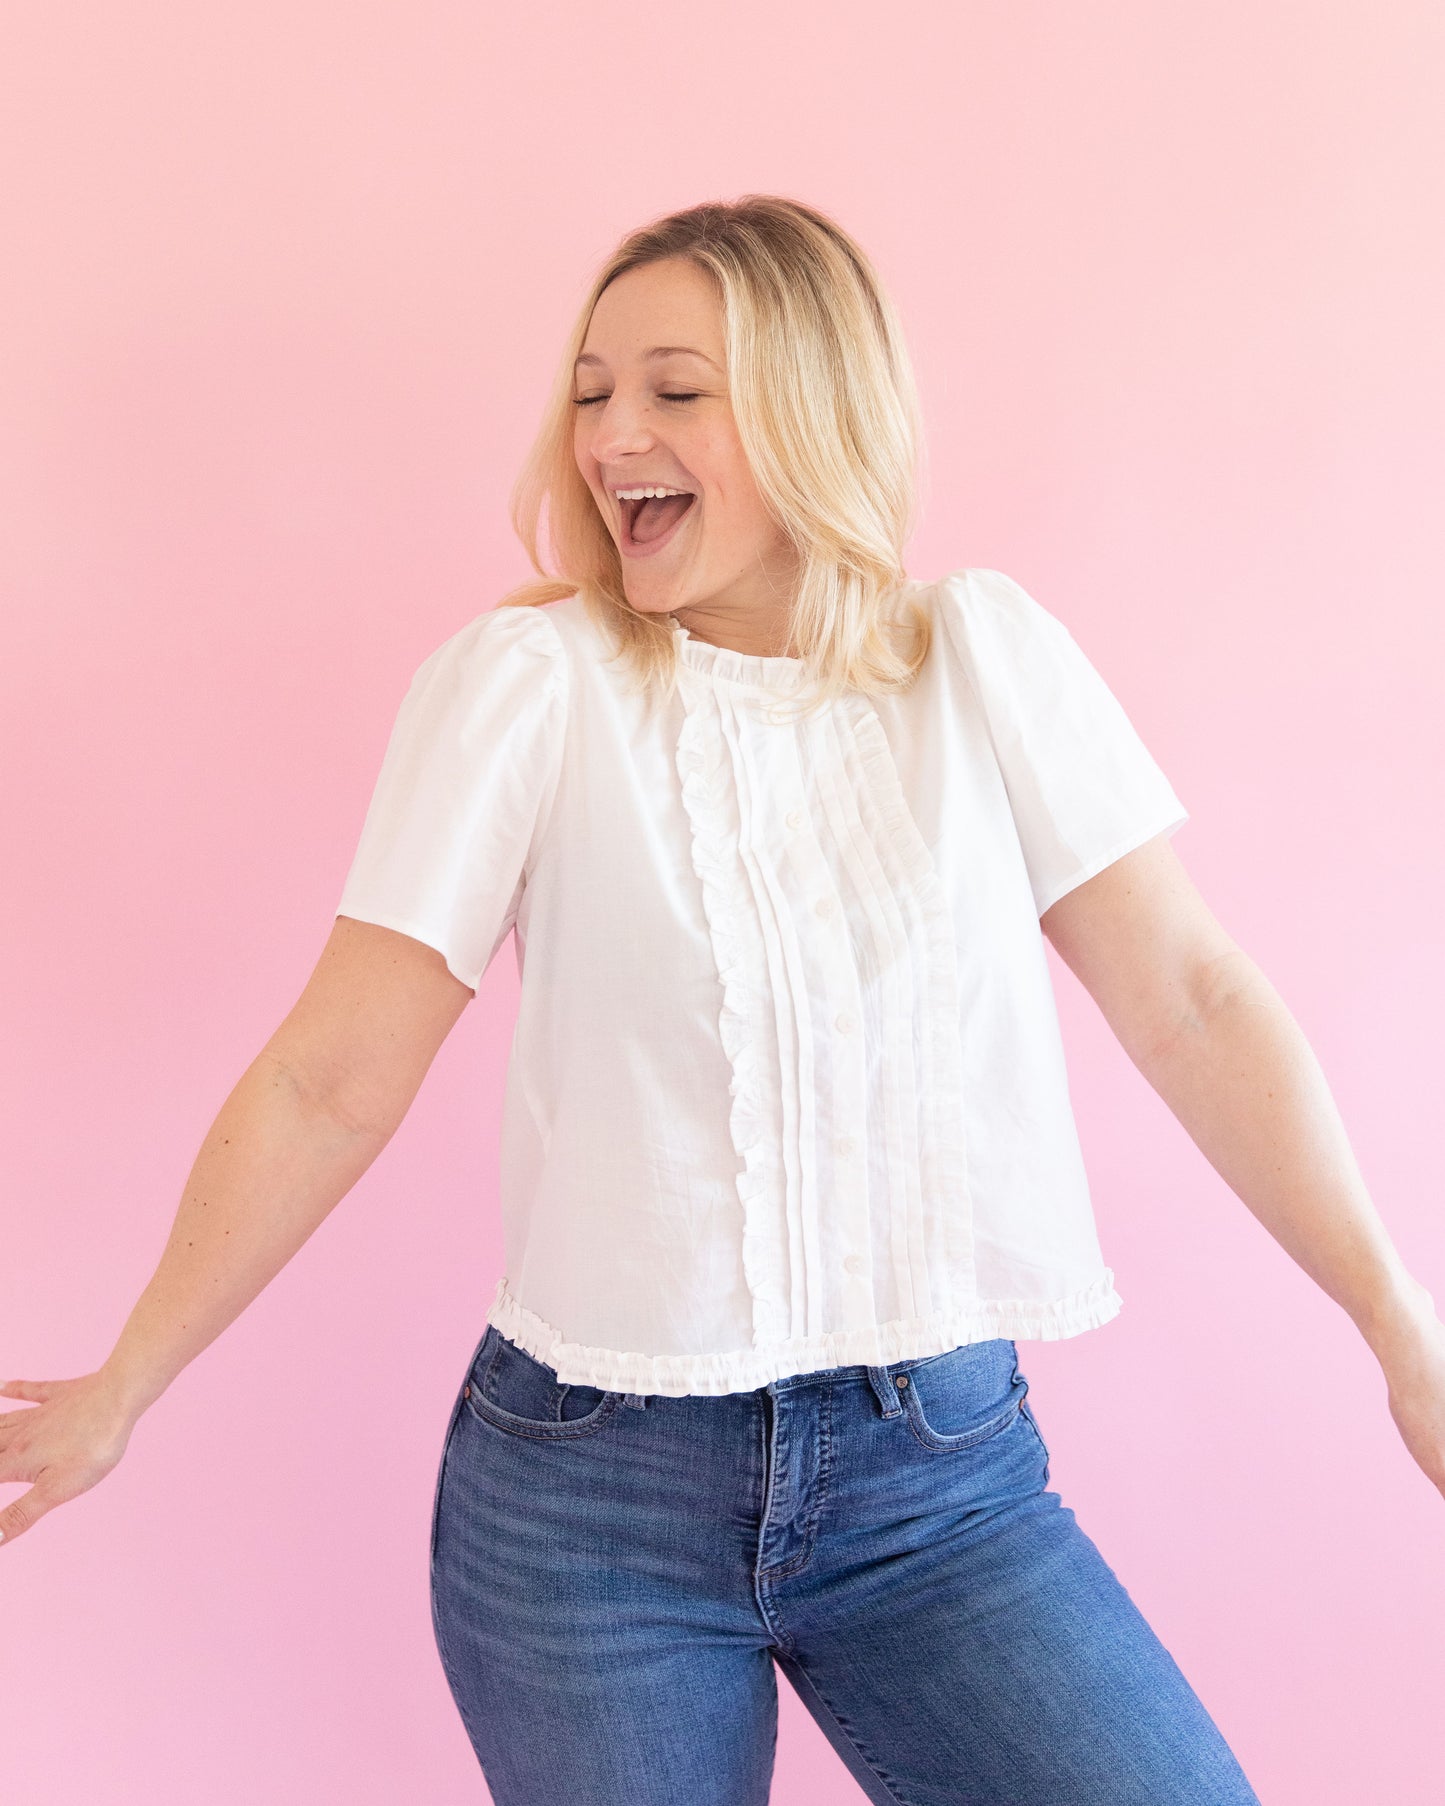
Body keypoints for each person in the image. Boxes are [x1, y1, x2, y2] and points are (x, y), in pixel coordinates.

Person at [2, 196, 1440, 1806]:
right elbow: (328, 1080)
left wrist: (1401, 1324)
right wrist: (126, 1380)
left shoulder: (983, 663)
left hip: (938, 1488)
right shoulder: (530, 689)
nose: (612, 434)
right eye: (591, 390)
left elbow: (1194, 999)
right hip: (588, 1514)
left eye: (675, 390)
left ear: (817, 412)